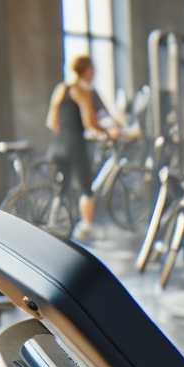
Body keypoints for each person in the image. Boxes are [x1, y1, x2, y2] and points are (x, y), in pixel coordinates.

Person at [45, 54, 117, 238]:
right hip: (75, 145)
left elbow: (52, 123)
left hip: (57, 145)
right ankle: (86, 228)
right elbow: (89, 120)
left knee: (61, 189)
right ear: (87, 70)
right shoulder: (82, 91)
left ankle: (53, 222)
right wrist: (106, 132)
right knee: (87, 188)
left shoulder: (61, 89)